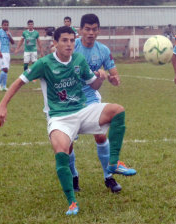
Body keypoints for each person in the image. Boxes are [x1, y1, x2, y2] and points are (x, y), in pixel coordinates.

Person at [0, 26, 136, 216]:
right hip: (60, 117)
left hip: (83, 110)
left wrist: (101, 77)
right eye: (64, 40)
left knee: (118, 111)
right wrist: (3, 105)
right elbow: (19, 82)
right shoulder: (44, 64)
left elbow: (92, 84)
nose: (69, 44)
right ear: (55, 43)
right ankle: (72, 201)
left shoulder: (79, 60)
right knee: (62, 150)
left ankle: (113, 163)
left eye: (71, 40)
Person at [69, 13, 122, 194]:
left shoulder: (103, 51)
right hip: (69, 100)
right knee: (67, 142)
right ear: (81, 30)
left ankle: (108, 177)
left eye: (94, 29)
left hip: (91, 98)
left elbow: (114, 75)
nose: (90, 33)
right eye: (87, 29)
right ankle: (73, 176)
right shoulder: (71, 47)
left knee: (100, 136)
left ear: (98, 30)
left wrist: (112, 78)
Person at [0, 19, 15, 91]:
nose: (6, 26)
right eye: (4, 25)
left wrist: (9, 36)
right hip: (1, 53)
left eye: (7, 25)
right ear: (2, 25)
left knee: (6, 70)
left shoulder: (8, 33)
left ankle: (4, 86)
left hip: (7, 53)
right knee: (4, 69)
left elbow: (13, 43)